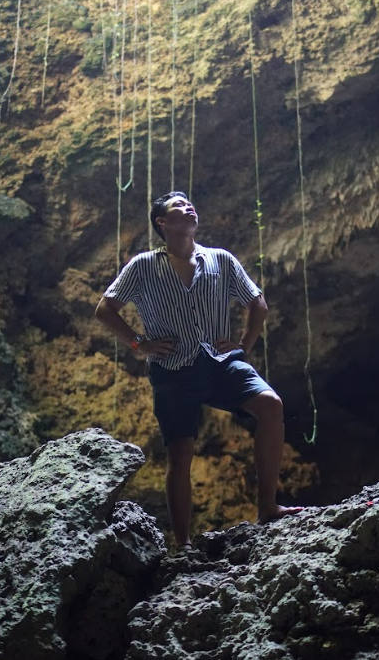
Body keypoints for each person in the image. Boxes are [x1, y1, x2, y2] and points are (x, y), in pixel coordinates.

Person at [95, 191, 302, 550]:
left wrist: (243, 346)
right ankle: (184, 544)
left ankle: (268, 508)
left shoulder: (220, 259)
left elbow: (258, 304)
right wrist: (139, 343)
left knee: (270, 405)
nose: (188, 206)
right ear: (162, 222)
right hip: (172, 369)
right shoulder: (143, 266)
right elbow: (104, 309)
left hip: (220, 362)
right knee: (180, 453)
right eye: (178, 206)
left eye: (189, 203)